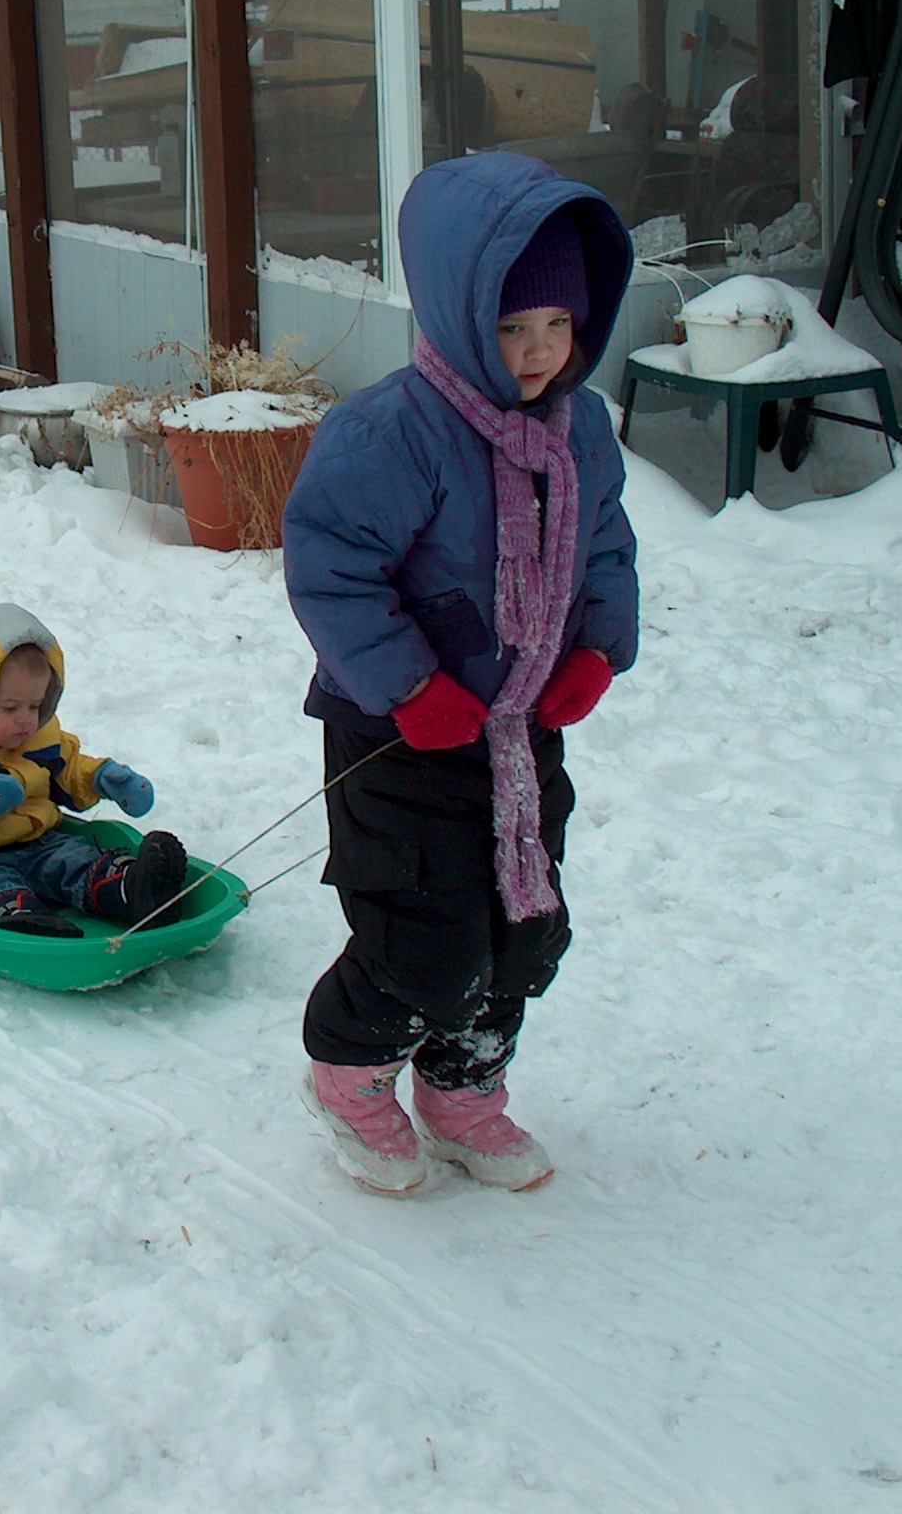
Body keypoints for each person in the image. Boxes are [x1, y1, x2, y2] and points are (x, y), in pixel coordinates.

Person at [281, 152, 640, 1195]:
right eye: (510, 327)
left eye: (556, 328)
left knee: (519, 925)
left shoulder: (581, 433)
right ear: (454, 310)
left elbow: (605, 544)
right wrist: (404, 684)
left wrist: (594, 650)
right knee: (423, 932)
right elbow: (330, 564)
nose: (535, 354)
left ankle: (462, 1090)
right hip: (401, 730)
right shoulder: (389, 431)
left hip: (520, 723)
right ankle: (349, 1076)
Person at [0, 603, 188, 939]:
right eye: (10, 708)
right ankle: (19, 916)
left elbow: (66, 769)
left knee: (73, 859)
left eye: (35, 705)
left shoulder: (40, 734)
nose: (26, 719)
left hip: (37, 843)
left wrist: (99, 778)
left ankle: (133, 888)